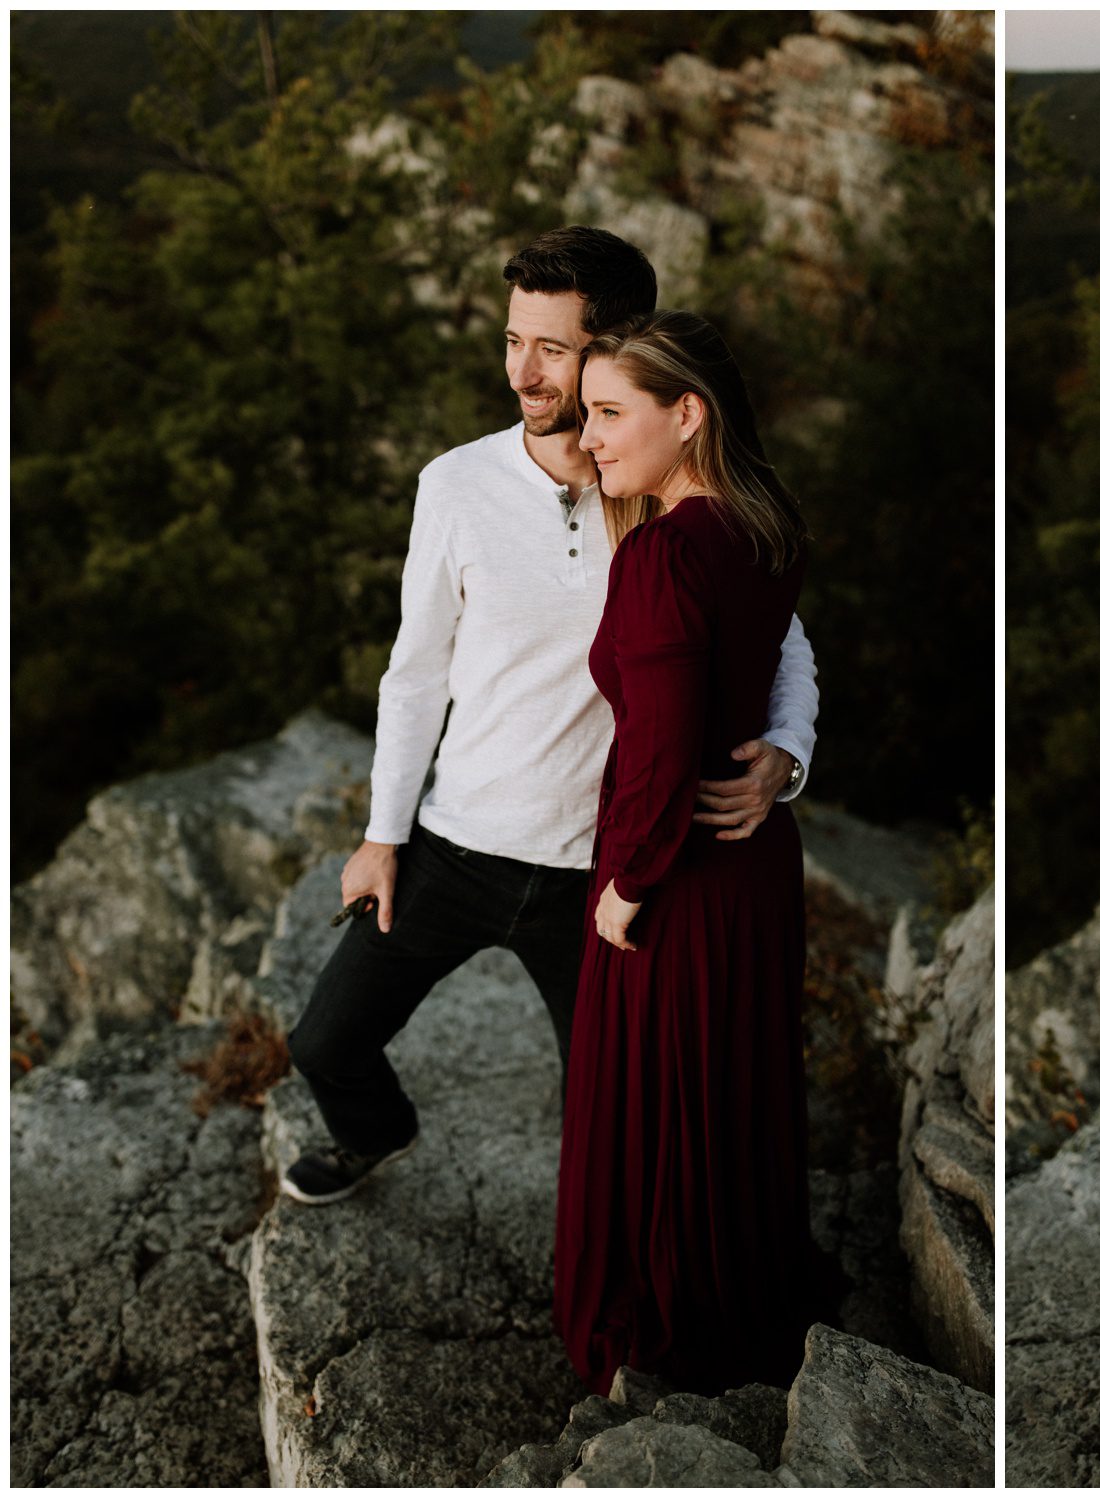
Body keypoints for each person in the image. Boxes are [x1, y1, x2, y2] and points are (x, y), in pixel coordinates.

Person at [282, 228, 820, 1205]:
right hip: (460, 840)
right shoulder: (454, 485)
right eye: (510, 339)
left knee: (613, 1113)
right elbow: (416, 672)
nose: (522, 372)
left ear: (614, 346)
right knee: (322, 1041)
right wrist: (381, 833)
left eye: (553, 348)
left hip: (600, 871)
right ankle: (376, 1134)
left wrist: (787, 747)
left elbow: (776, 637)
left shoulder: (661, 491)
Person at [551, 311, 813, 1396]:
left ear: (687, 413)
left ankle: (655, 1330)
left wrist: (626, 883)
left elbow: (657, 751)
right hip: (754, 869)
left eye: (611, 414)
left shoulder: (664, 551)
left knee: (659, 1106)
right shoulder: (759, 526)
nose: (590, 438)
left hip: (681, 875)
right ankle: (739, 1309)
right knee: (732, 1098)